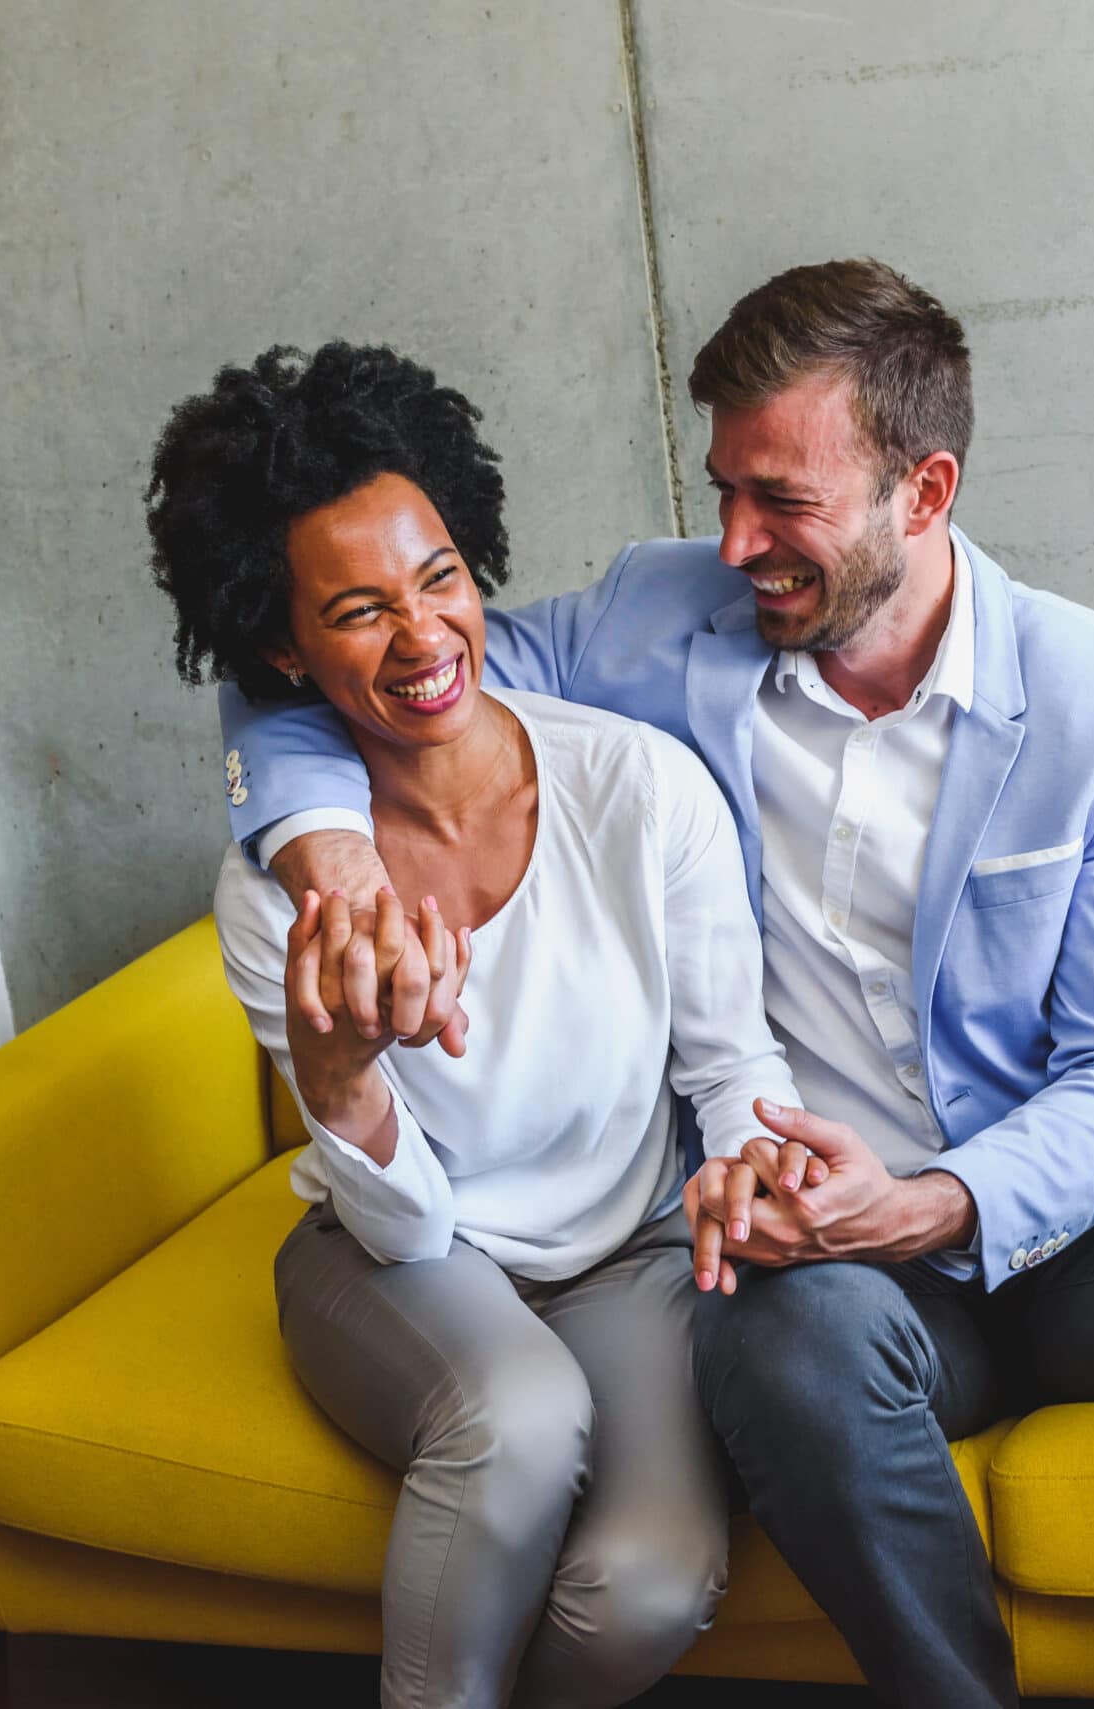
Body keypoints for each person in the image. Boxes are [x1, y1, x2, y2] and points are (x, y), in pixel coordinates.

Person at [222, 260, 1094, 1708]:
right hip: (815, 1251)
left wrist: (933, 1201)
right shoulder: (659, 620)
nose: (732, 541)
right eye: (724, 488)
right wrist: (331, 856)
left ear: (922, 493)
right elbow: (352, 661)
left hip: (1065, 1222)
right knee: (779, 1349)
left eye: (781, 501)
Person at [145, 341, 805, 1709]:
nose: (425, 636)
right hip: (397, 1253)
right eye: (361, 609)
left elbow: (732, 1063)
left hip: (626, 1254)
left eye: (441, 577)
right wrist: (340, 1079)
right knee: (520, 1416)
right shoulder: (284, 893)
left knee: (650, 1585)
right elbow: (404, 1226)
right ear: (283, 645)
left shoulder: (636, 785)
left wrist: (748, 1163)